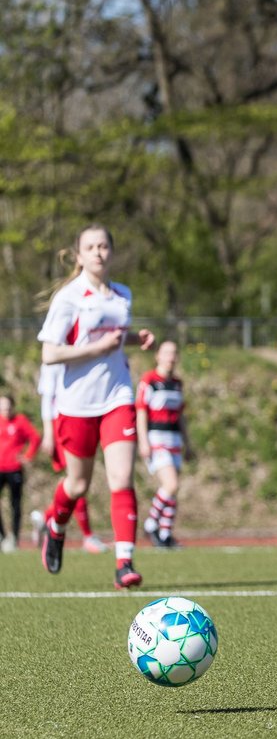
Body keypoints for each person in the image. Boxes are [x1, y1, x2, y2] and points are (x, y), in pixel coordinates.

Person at [35, 224, 154, 588]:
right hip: (76, 404)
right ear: (79, 255)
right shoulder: (70, 298)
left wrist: (134, 338)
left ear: (111, 252)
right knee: (78, 484)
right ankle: (56, 525)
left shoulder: (122, 295)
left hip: (117, 397)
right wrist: (94, 350)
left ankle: (124, 563)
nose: (99, 252)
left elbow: (112, 339)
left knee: (121, 478)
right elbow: (50, 352)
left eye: (104, 246)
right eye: (91, 247)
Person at [31, 363, 108, 554]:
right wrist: (49, 432)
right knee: (77, 482)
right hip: (63, 424)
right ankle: (88, 536)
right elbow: (47, 398)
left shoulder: (82, 349)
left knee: (76, 483)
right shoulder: (55, 352)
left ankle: (45, 517)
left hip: (80, 419)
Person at [137, 340, 191, 548]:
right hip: (156, 439)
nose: (171, 357)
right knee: (171, 485)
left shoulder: (177, 383)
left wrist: (188, 443)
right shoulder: (149, 380)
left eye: (174, 352)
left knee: (172, 490)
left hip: (174, 439)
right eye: (166, 352)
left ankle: (166, 534)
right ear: (157, 356)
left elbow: (181, 416)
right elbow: (141, 411)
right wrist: (143, 441)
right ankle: (151, 524)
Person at [0, 394, 40, 553]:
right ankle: (2, 536)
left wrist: (28, 455)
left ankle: (14, 538)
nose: (5, 411)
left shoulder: (20, 421)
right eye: (2, 408)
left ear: (13, 407)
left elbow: (35, 438)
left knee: (15, 504)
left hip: (14, 469)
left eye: (8, 407)